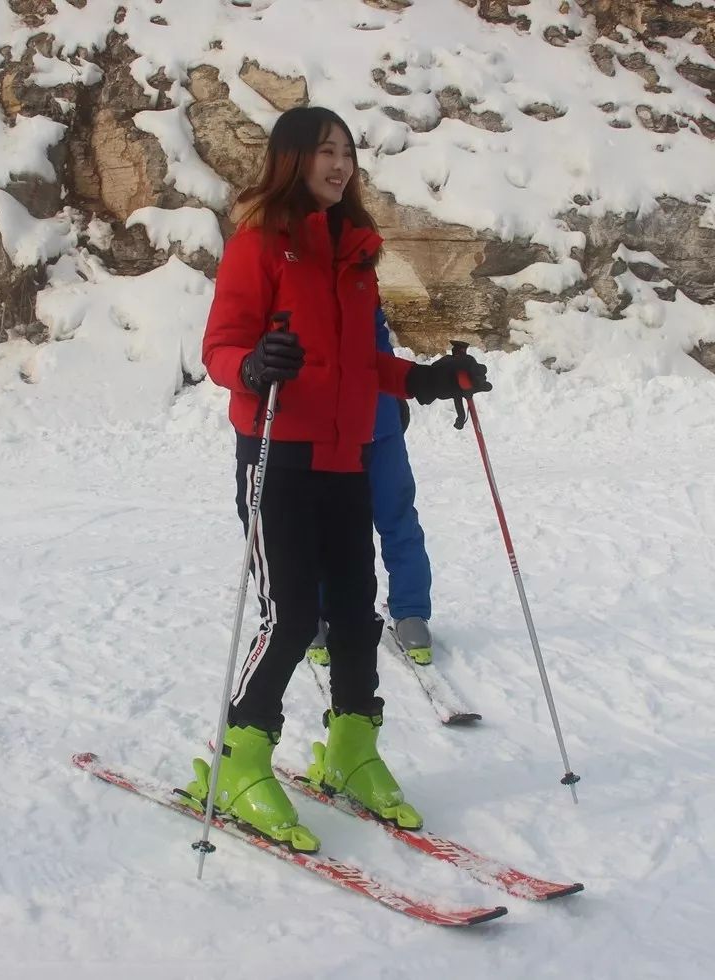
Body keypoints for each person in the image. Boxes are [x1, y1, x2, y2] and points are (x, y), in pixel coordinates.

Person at [181, 106, 490, 851]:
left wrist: (424, 380)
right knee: (291, 614)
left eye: (347, 151)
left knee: (354, 614)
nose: (340, 163)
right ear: (293, 159)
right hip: (275, 454)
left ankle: (352, 752)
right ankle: (239, 757)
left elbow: (361, 362)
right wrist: (252, 367)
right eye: (325, 151)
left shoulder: (353, 251)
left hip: (344, 458)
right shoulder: (260, 245)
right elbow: (222, 345)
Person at [307, 311, 435, 669]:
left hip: (378, 424)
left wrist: (401, 394)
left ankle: (411, 612)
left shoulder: (361, 281)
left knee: (397, 516)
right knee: (320, 523)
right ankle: (312, 612)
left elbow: (377, 347)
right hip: (320, 427)